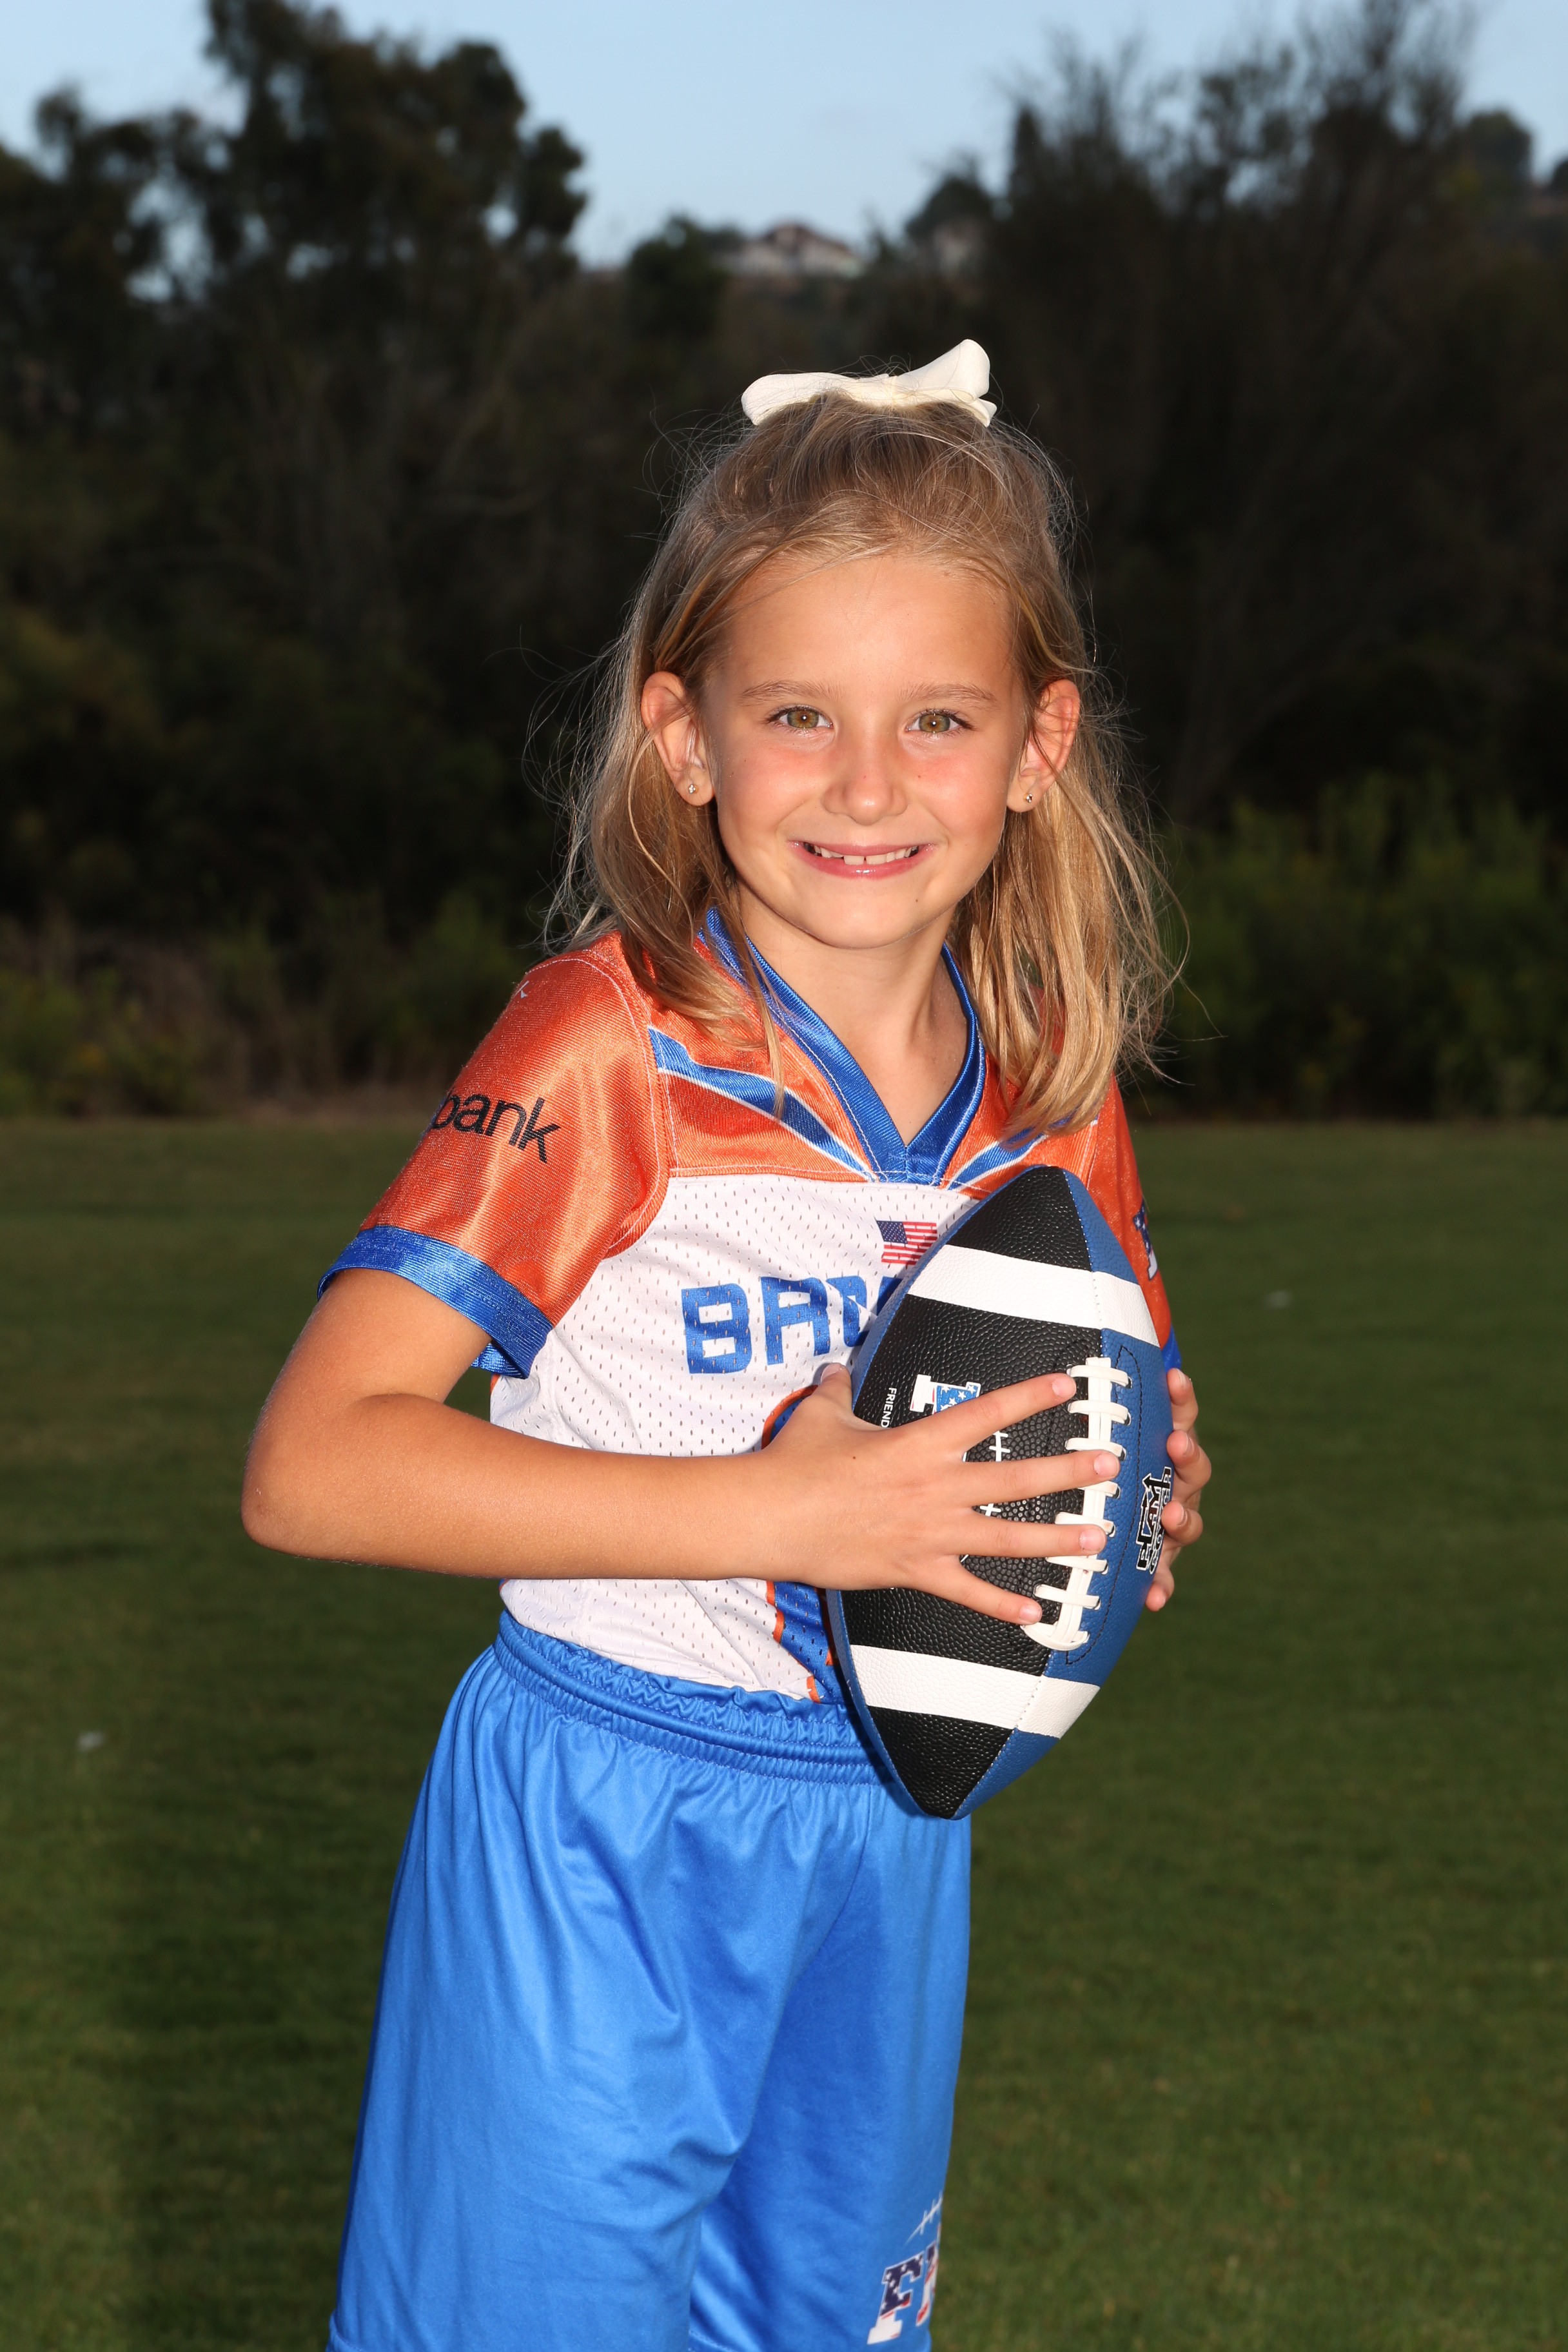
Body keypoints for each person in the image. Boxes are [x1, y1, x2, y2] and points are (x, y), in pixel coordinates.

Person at [243, 339, 1212, 2352]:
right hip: (602, 1818)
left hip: (892, 1831)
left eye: (936, 719)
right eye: (798, 716)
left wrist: (1136, 1492)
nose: (867, 783)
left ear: (1038, 744)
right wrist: (781, 1513)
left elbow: (1079, 1436)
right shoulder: (610, 1049)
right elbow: (314, 1466)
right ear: (685, 739)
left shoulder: (1053, 1091)